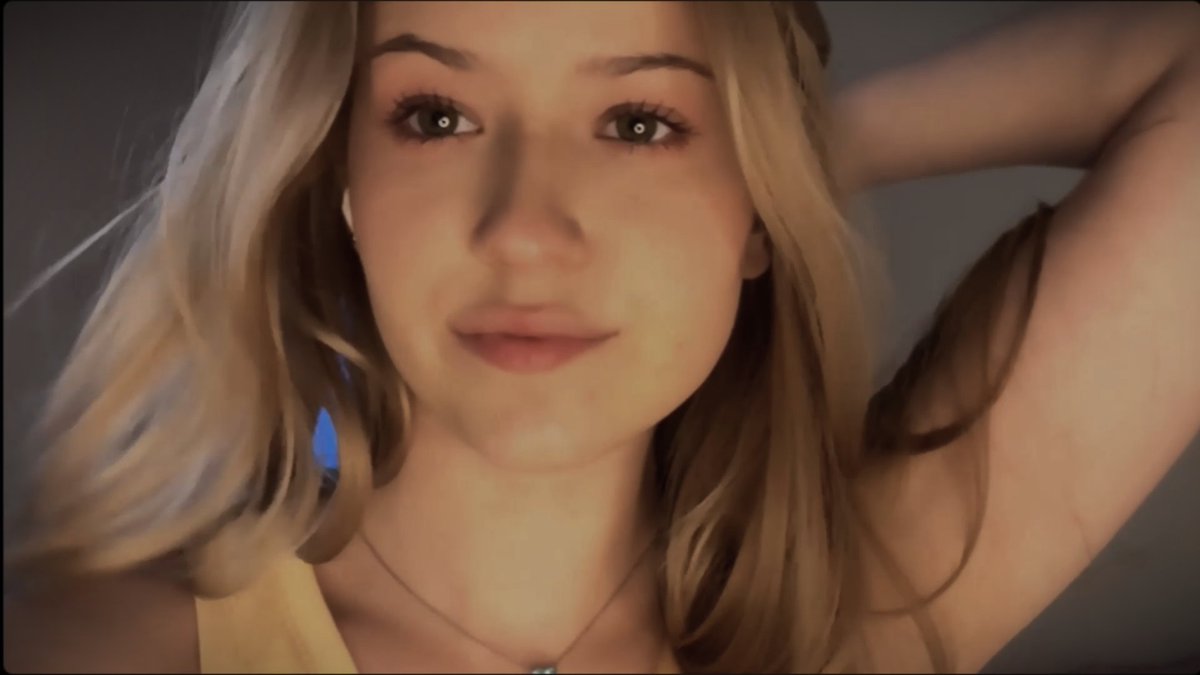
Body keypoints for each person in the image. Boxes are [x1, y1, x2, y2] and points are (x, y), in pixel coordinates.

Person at [4, 1, 1198, 673]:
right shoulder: (87, 652)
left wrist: (773, 171)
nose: (526, 233)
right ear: (342, 184)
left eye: (638, 122)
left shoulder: (856, 627)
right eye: (438, 116)